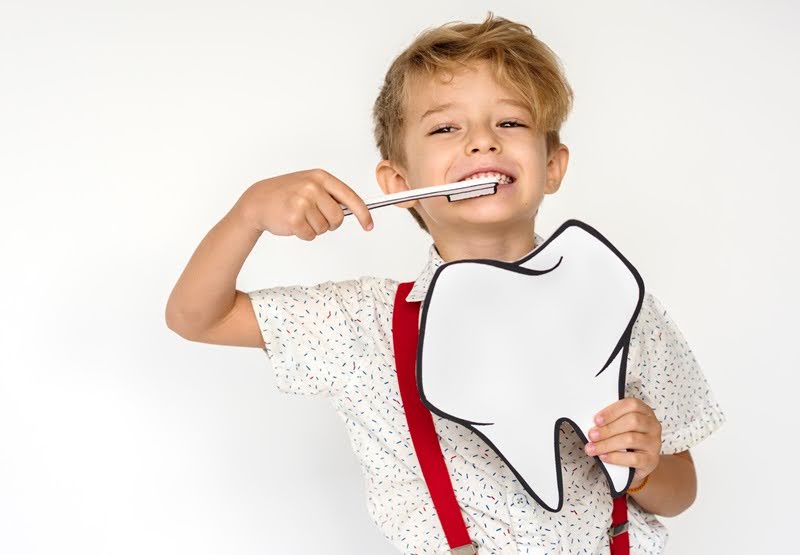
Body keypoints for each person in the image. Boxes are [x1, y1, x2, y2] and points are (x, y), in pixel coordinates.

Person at [165, 12, 726, 554]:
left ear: (552, 165)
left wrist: (644, 466)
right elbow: (197, 317)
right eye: (445, 128)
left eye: (510, 122)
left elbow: (681, 493)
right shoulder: (363, 324)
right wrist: (248, 214)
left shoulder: (617, 302)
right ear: (397, 181)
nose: (482, 141)